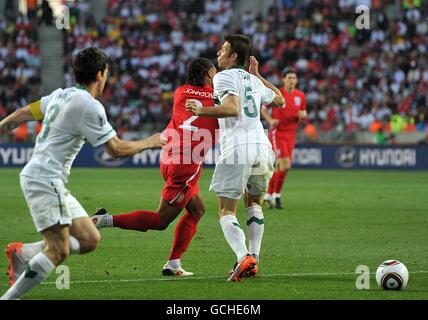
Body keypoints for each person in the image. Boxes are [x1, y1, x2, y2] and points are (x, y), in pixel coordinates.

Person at [0, 47, 165, 300]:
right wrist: (150, 142)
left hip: (49, 180)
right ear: (100, 74)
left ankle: (23, 253)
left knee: (89, 239)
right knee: (59, 251)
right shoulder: (89, 105)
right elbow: (116, 149)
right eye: (107, 73)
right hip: (45, 179)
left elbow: (24, 113)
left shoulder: (61, 95)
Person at [91, 58, 219, 276]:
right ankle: (102, 220)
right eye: (215, 72)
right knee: (160, 220)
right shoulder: (217, 100)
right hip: (186, 165)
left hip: (168, 157)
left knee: (197, 209)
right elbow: (228, 111)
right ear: (208, 73)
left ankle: (173, 263)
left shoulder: (180, 92)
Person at [186, 34, 285, 282]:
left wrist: (202, 109)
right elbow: (280, 100)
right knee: (253, 203)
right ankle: (254, 257)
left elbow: (232, 108)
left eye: (223, 50)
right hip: (262, 148)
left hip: (238, 148)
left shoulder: (223, 76)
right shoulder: (253, 80)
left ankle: (243, 258)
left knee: (226, 211)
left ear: (234, 57)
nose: (218, 53)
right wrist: (258, 75)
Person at [261, 68, 307, 209]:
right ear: (283, 79)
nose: (292, 80)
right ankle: (274, 195)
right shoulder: (277, 94)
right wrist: (270, 120)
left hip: (291, 134)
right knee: (286, 165)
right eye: (289, 78)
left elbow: (304, 111)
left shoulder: (300, 95)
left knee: (281, 167)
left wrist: (302, 115)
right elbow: (263, 109)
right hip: (278, 133)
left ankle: (271, 196)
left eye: (294, 78)